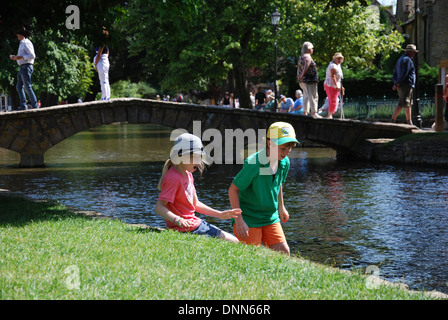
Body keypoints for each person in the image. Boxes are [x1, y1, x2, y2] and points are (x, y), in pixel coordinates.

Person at [228, 122, 299, 256]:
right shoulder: (254, 163)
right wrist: (239, 220)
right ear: (269, 143)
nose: (287, 152)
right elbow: (233, 190)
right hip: (249, 218)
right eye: (283, 148)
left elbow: (278, 184)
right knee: (251, 257)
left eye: (290, 148)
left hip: (270, 217)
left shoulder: (284, 162)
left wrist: (281, 207)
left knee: (284, 253)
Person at [155, 133, 241, 243]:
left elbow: (195, 204)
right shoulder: (174, 177)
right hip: (186, 227)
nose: (199, 162)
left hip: (194, 223)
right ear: (181, 156)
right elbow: (159, 207)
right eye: (195, 157)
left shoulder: (187, 174)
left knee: (231, 238)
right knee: (234, 241)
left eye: (200, 157)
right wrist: (178, 220)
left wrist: (220, 214)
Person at [10, 27, 38, 110]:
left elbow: (32, 55)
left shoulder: (26, 42)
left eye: (18, 34)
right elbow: (21, 57)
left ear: (22, 35)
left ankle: (35, 105)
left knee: (27, 87)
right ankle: (23, 105)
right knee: (19, 87)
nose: (17, 35)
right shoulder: (21, 43)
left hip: (26, 66)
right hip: (22, 67)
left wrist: (20, 57)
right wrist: (16, 58)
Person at [391, 44, 418, 125]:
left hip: (403, 84)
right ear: (410, 52)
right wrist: (398, 83)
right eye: (413, 52)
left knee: (408, 104)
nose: (414, 54)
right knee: (402, 103)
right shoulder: (407, 60)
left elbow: (395, 73)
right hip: (406, 84)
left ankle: (409, 122)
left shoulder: (400, 59)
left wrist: (396, 83)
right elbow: (404, 73)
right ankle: (392, 121)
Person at [297, 42, 321, 118]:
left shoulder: (301, 57)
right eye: (312, 48)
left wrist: (299, 75)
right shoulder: (308, 56)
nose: (312, 50)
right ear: (309, 49)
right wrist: (302, 74)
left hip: (303, 80)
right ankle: (314, 113)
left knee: (306, 95)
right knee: (313, 95)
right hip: (310, 79)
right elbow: (306, 65)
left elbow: (299, 68)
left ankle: (305, 112)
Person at [323, 52, 345, 119]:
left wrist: (340, 86)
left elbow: (339, 78)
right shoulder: (333, 66)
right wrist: (336, 86)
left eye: (341, 59)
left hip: (335, 85)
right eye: (338, 59)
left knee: (334, 100)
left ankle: (330, 115)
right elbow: (333, 76)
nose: (339, 60)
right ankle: (330, 115)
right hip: (331, 85)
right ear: (335, 59)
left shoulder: (338, 65)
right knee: (333, 100)